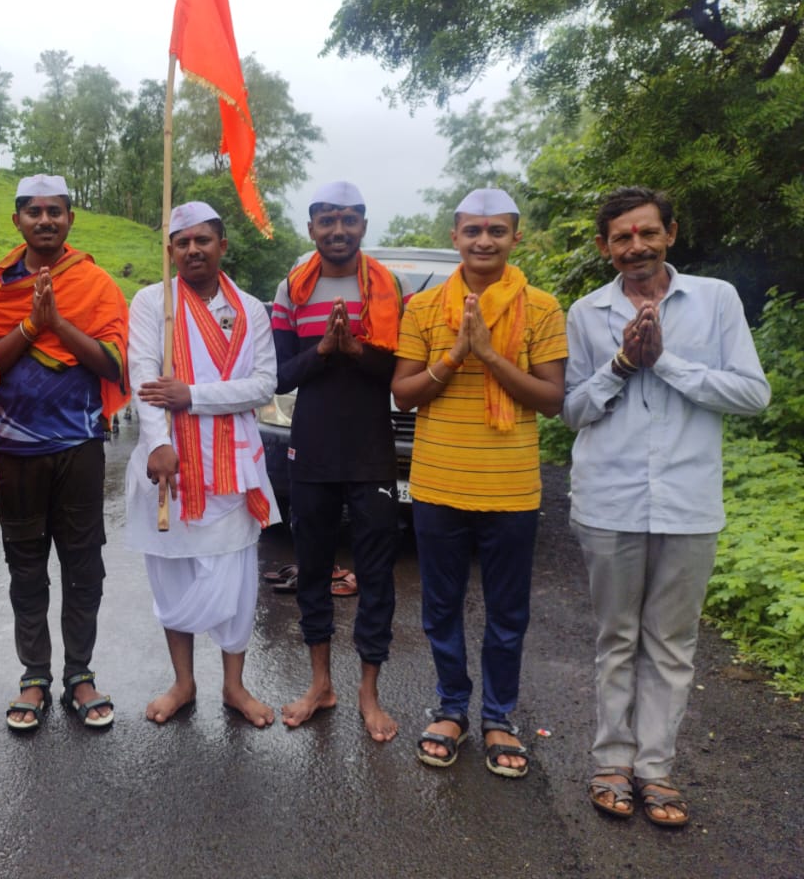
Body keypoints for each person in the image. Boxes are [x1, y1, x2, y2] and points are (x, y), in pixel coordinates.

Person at [563, 186, 770, 825]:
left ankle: (656, 771)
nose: (636, 247)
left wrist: (667, 363)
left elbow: (752, 394)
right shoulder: (587, 312)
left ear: (670, 234)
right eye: (622, 237)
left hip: (688, 500)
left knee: (673, 644)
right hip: (608, 499)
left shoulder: (715, 300)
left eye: (647, 233)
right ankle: (610, 764)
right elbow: (571, 410)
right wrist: (623, 364)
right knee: (616, 637)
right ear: (604, 247)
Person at [392, 187, 566, 778]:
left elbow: (549, 400)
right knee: (440, 606)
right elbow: (404, 392)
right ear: (455, 238)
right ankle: (449, 708)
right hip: (439, 481)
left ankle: (497, 715)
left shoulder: (541, 307)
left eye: (496, 231)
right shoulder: (423, 309)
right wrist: (454, 356)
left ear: (516, 237)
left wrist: (490, 357)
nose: (484, 241)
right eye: (473, 231)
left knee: (507, 611)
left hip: (511, 486)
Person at [0, 174, 128, 731]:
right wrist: (31, 325)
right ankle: (35, 675)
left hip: (79, 448)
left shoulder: (96, 284)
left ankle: (79, 673)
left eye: (54, 211)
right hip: (11, 451)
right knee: (26, 566)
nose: (44, 220)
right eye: (33, 211)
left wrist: (58, 321)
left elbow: (113, 364)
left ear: (70, 218)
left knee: (84, 566)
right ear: (17, 220)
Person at [126, 201, 280, 727]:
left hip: (231, 462)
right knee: (173, 571)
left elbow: (263, 385)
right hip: (168, 461)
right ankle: (184, 682)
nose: (192, 249)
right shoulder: (152, 303)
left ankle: (235, 686)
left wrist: (192, 394)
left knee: (234, 576)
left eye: (202, 240)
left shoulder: (252, 309)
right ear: (170, 250)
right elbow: (144, 377)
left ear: (222, 246)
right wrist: (156, 442)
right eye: (181, 242)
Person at [271, 181, 405, 742]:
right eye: (327, 220)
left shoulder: (388, 286)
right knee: (315, 571)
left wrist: (357, 351)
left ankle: (368, 693)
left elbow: (397, 374)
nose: (338, 230)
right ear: (312, 229)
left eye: (349, 219)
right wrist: (325, 351)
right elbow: (278, 376)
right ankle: (320, 684)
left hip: (373, 448)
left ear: (364, 226)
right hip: (313, 447)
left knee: (377, 575)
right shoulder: (291, 291)